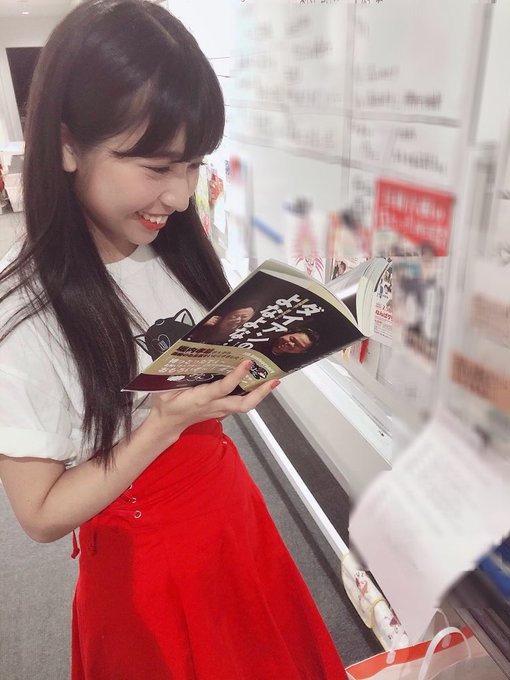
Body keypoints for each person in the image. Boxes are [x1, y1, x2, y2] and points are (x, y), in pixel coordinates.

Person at [0, 2, 348, 679]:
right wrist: (162, 424)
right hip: (147, 558)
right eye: (158, 167)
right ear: (67, 144)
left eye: (193, 166)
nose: (182, 196)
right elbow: (39, 515)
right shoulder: (26, 311)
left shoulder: (170, 244)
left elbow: (194, 381)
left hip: (229, 508)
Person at [188, 304, 256, 344]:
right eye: (235, 316)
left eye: (243, 319)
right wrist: (201, 325)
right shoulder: (207, 325)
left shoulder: (232, 339)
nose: (238, 320)